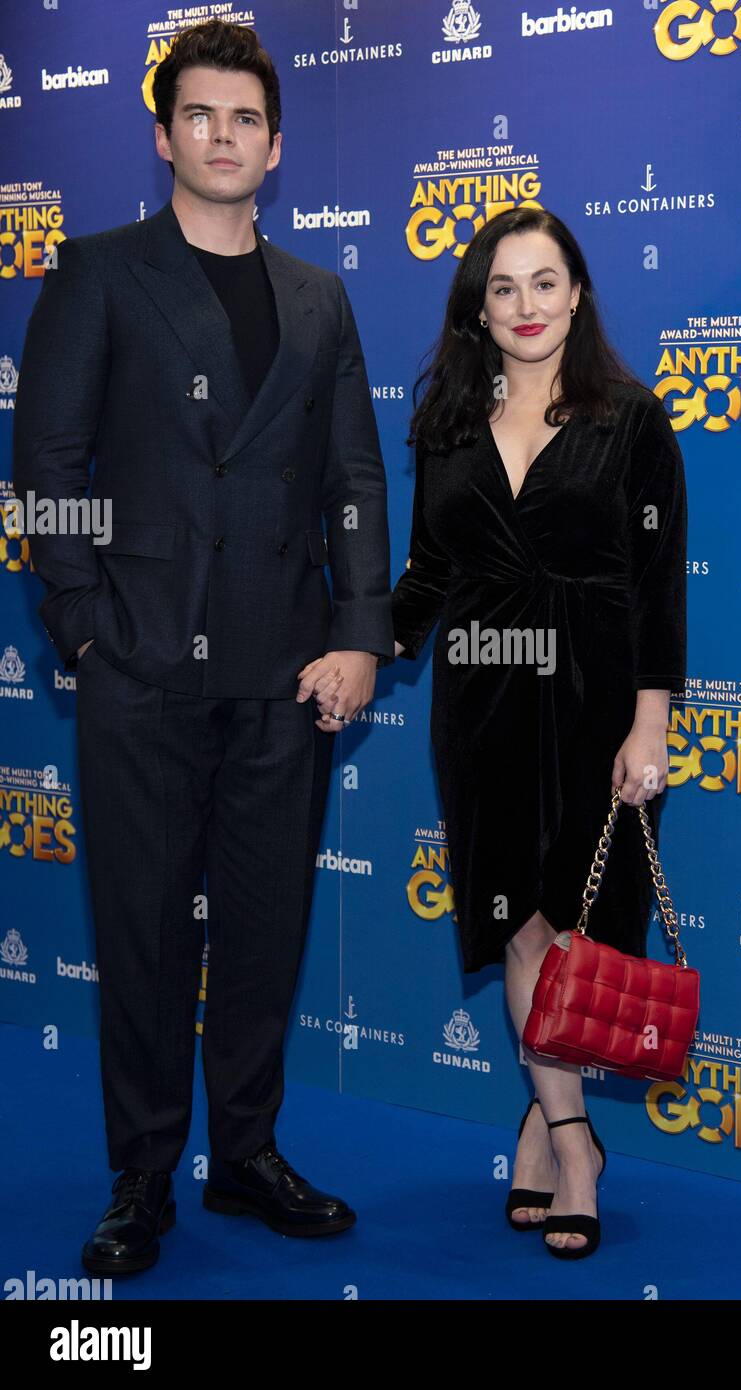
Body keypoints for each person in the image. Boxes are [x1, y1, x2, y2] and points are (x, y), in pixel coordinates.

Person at [12, 19, 393, 1274]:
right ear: (164, 133)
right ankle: (140, 1177)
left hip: (288, 679)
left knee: (265, 928)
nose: (222, 137)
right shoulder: (100, 273)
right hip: (140, 674)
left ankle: (244, 1157)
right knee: (140, 932)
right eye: (200, 116)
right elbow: (49, 468)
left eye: (244, 120)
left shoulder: (319, 297)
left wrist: (357, 637)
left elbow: (352, 478)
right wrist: (82, 626)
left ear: (274, 146)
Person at [335, 206, 688, 1259]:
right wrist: (360, 650)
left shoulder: (630, 419)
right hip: (482, 701)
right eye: (503, 287)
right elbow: (431, 574)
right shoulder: (444, 423)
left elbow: (657, 589)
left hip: (594, 701)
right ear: (477, 310)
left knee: (580, 931)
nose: (526, 306)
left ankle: (545, 1120)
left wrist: (649, 726)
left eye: (545, 283)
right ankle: (574, 1140)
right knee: (521, 930)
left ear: (575, 295)